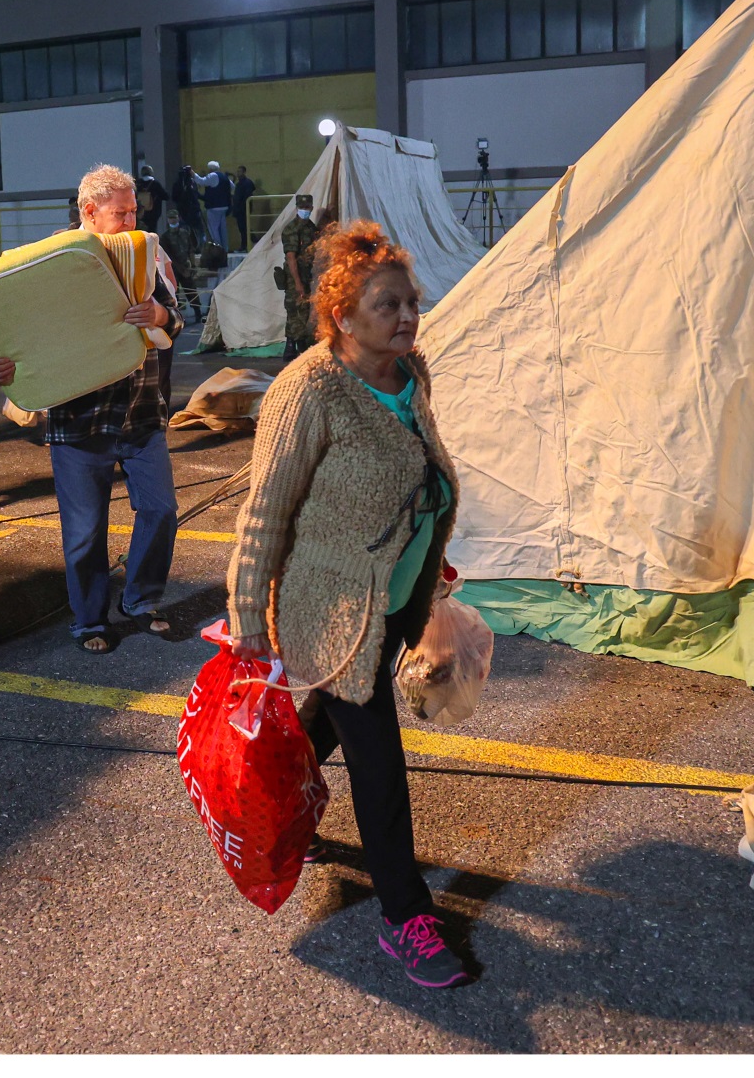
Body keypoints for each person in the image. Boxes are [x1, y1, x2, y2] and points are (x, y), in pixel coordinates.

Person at [226, 220, 467, 989]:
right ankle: (405, 916)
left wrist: (428, 550)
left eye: (411, 302)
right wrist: (246, 621)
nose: (406, 317)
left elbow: (415, 467)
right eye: (387, 305)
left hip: (391, 598)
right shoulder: (310, 388)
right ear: (342, 316)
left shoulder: (411, 371)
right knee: (378, 760)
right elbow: (265, 511)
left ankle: (268, 808)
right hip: (327, 607)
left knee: (315, 726)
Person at [0, 163, 182, 654]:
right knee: (85, 533)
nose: (131, 220)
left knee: (161, 510)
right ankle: (90, 620)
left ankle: (140, 600)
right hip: (78, 421)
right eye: (120, 213)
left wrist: (159, 315)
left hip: (142, 413)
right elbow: (11, 326)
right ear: (88, 211)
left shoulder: (148, 254)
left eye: (134, 210)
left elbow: (175, 320)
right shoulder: (51, 262)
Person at [277, 194, 322, 359]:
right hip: (294, 276)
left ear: (311, 207)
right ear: (297, 208)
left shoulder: (311, 228)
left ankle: (299, 344)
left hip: (307, 275)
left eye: (307, 207)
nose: (305, 210)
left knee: (303, 311)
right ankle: (291, 345)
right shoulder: (291, 229)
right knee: (294, 309)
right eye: (302, 208)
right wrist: (297, 282)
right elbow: (291, 258)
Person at [161, 208, 201, 321]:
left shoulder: (185, 233)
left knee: (191, 290)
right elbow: (169, 256)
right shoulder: (165, 237)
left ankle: (198, 313)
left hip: (186, 266)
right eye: (170, 218)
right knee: (174, 293)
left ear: (179, 218)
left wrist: (192, 266)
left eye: (174, 217)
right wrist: (181, 269)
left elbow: (191, 250)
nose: (173, 220)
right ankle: (176, 317)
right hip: (173, 269)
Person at [195, 160, 232, 249]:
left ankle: (218, 248)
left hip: (214, 207)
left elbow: (201, 181)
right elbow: (232, 186)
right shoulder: (224, 176)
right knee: (223, 229)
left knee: (213, 229)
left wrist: (193, 174)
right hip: (224, 207)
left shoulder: (213, 176)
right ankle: (225, 248)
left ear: (210, 169)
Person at [171, 165, 204, 240]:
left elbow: (174, 197)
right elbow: (195, 195)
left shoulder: (179, 184)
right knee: (197, 230)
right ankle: (194, 246)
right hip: (189, 210)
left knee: (191, 229)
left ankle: (193, 246)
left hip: (185, 209)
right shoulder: (190, 183)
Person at [136, 164, 168, 234]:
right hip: (154, 212)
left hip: (141, 212)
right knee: (152, 232)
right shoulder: (155, 184)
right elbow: (166, 196)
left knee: (141, 231)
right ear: (151, 172)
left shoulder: (138, 183)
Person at [230, 165, 256, 250]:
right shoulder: (240, 183)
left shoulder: (247, 183)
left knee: (244, 228)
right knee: (243, 228)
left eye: (240, 171)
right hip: (239, 209)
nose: (238, 173)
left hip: (243, 209)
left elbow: (246, 196)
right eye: (237, 172)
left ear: (244, 172)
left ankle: (249, 243)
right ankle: (248, 243)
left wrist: (241, 207)